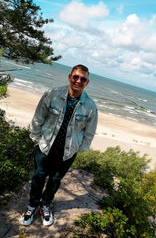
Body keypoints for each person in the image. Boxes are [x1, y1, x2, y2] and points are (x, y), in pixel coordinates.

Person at [19, 64, 98, 226]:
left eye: (82, 79)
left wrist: (80, 148)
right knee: (38, 176)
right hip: (45, 146)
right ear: (69, 77)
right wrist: (35, 138)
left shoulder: (90, 107)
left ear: (87, 82)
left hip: (67, 151)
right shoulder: (52, 95)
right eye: (75, 77)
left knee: (55, 180)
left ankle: (45, 205)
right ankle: (32, 205)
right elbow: (38, 117)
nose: (78, 81)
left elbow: (89, 133)